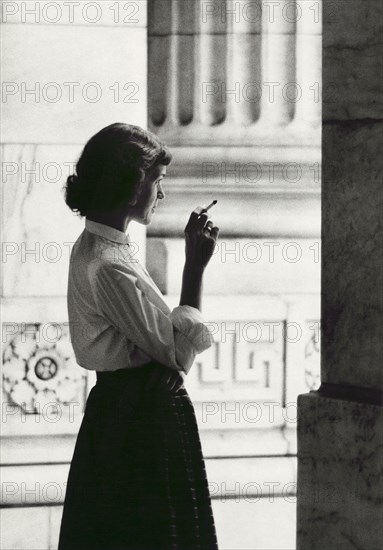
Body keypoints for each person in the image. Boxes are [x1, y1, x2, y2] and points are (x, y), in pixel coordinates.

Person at [58, 123, 220, 550]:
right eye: (157, 182)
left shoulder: (99, 245)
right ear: (132, 187)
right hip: (138, 420)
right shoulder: (109, 262)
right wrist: (195, 267)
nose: (161, 194)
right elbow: (176, 352)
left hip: (123, 410)